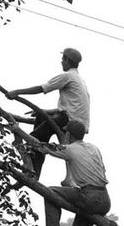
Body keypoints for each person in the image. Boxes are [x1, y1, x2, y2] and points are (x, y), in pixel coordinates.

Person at [38, 121, 110, 226]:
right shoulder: (94, 148)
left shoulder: (69, 149)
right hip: (104, 199)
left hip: (89, 197)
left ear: (69, 135)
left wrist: (18, 131)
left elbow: (42, 147)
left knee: (50, 191)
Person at [7, 48, 90, 182]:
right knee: (41, 118)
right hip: (78, 122)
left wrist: (17, 92)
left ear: (67, 60)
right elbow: (68, 108)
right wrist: (44, 111)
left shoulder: (67, 76)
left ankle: (32, 172)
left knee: (35, 138)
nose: (61, 62)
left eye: (63, 59)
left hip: (69, 120)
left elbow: (42, 88)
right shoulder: (80, 80)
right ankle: (36, 170)